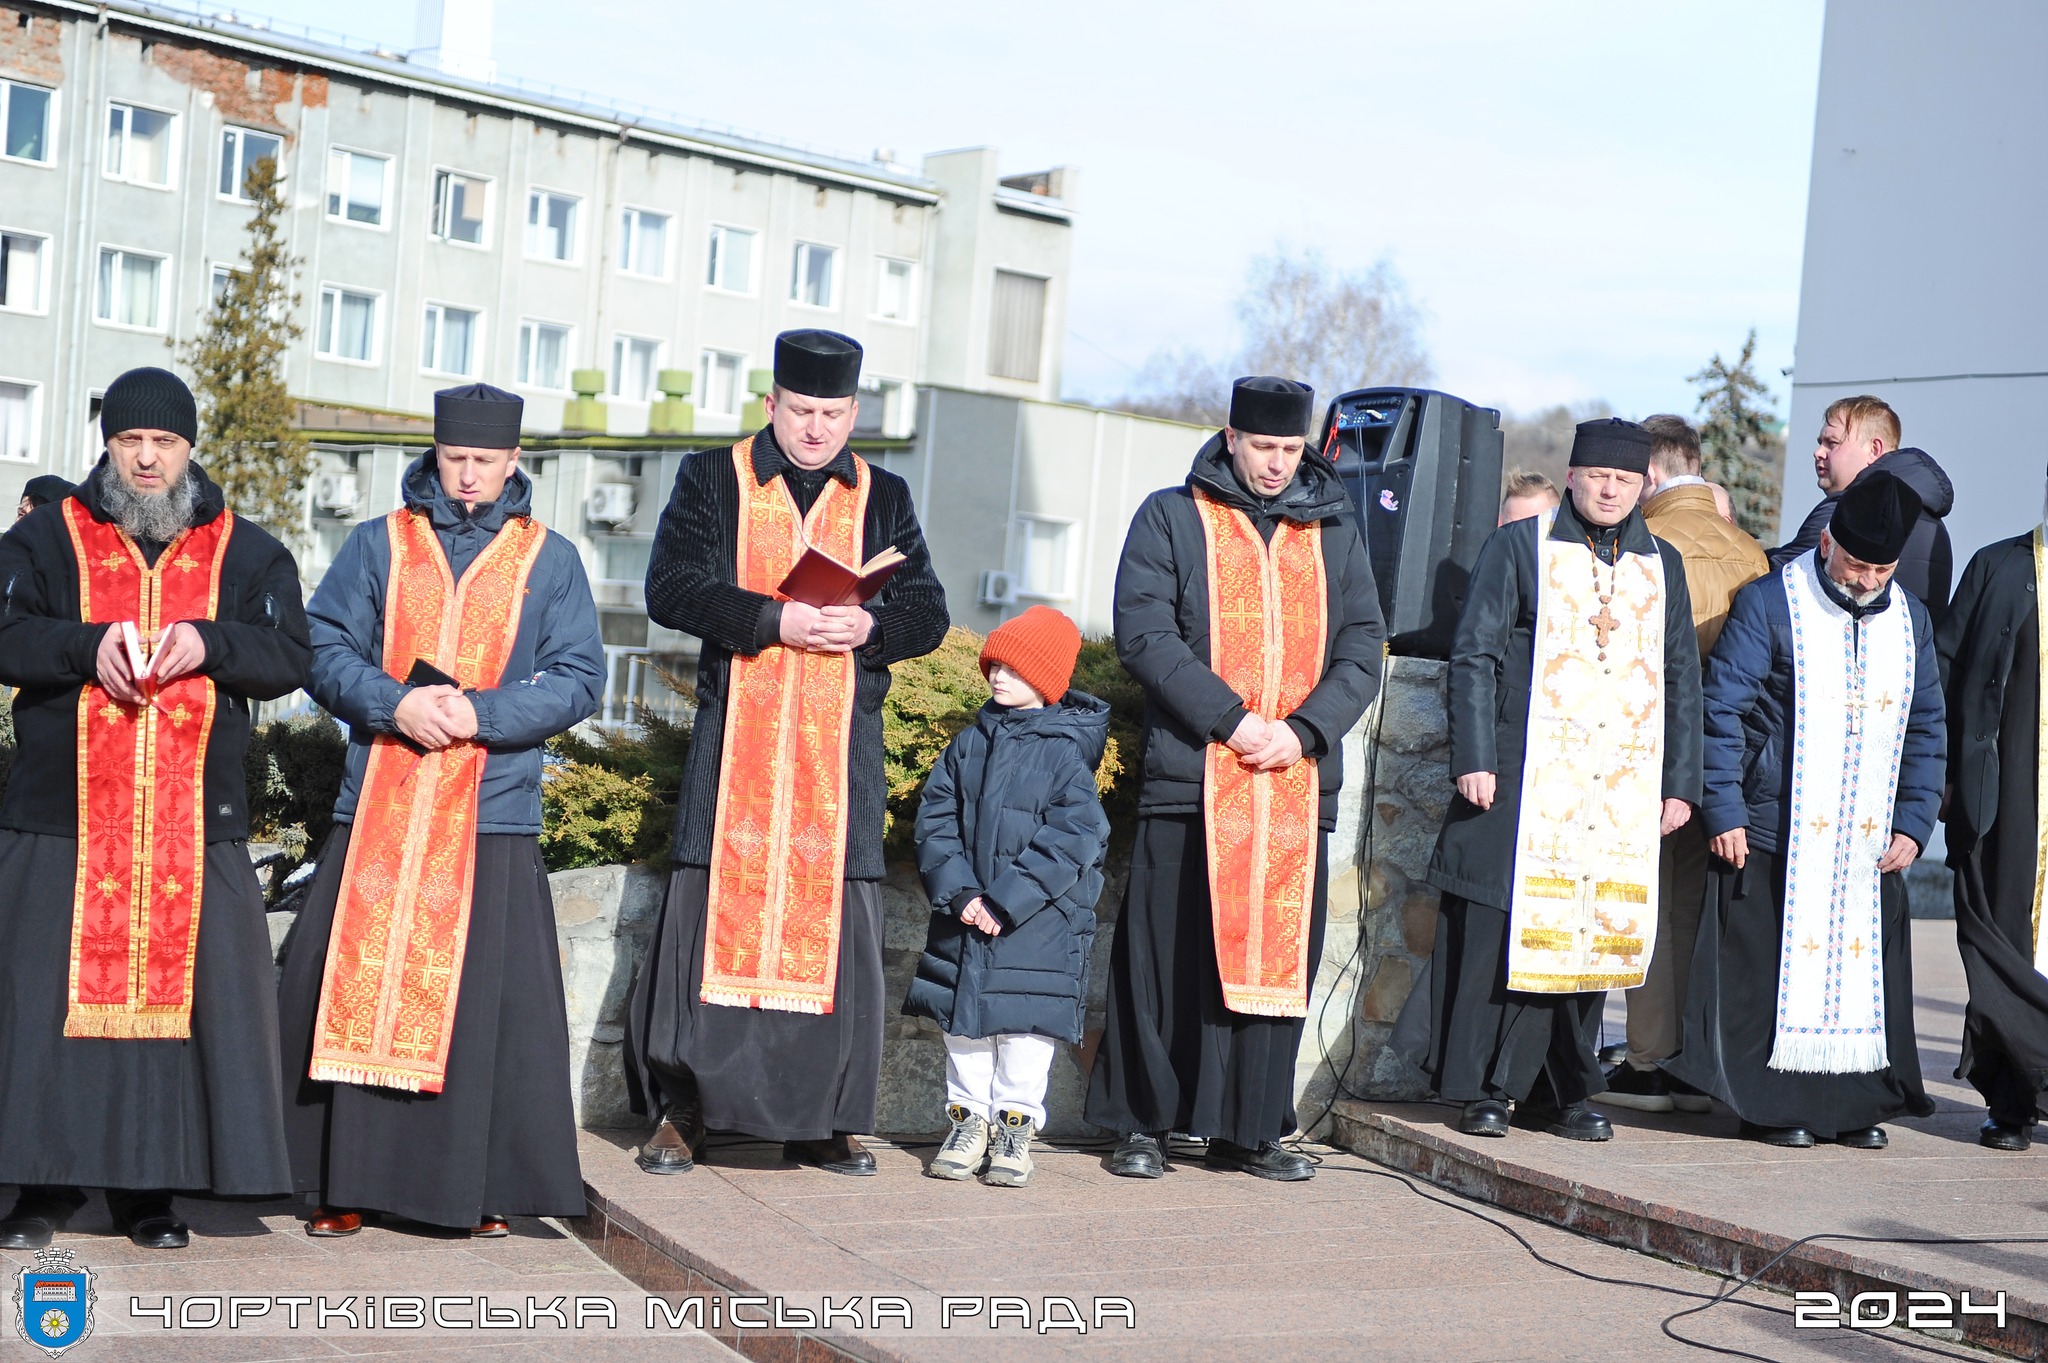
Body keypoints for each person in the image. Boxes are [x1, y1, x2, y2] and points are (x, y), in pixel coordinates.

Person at [275, 383, 603, 1236]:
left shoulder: (552, 558)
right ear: (434, 451)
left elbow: (580, 679)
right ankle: (337, 1180)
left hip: (490, 812)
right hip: (380, 798)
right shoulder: (378, 542)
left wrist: (481, 715)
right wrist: (393, 704)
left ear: (514, 462)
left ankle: (471, 1190)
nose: (467, 476)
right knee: (348, 985)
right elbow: (320, 645)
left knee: (481, 1011)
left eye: (484, 462)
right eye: (455, 458)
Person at [624, 329, 949, 1177]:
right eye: (802, 411)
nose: (816, 429)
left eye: (834, 414)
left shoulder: (886, 493)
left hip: (839, 763)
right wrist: (775, 620)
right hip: (732, 755)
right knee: (706, 923)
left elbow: (930, 611)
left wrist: (871, 626)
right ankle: (683, 1110)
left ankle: (827, 1119)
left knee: (837, 932)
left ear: (854, 412)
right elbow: (669, 586)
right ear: (771, 404)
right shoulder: (711, 475)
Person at [0, 366, 309, 1250]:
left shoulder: (245, 550)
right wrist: (85, 644)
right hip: (63, 819)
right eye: (129, 441)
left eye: (162, 442)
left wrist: (209, 641)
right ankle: (38, 1190)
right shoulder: (46, 541)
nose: (145, 458)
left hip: (195, 823)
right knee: (42, 1010)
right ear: (107, 444)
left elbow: (292, 653)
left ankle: (149, 1193)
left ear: (188, 449)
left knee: (176, 1027)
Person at [1085, 376, 1385, 1182]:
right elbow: (1145, 633)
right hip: (1193, 778)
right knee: (1166, 958)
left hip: (1293, 783)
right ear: (1230, 436)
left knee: (1276, 964)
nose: (1276, 465)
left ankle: (1250, 1129)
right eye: (1263, 447)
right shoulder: (1171, 515)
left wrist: (1302, 731)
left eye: (1291, 450)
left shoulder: (1336, 531)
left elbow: (1363, 644)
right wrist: (1233, 719)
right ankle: (1141, 1123)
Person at [1393, 418, 1702, 1143]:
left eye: (1626, 481)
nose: (1610, 490)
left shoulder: (1665, 567)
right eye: (1599, 476)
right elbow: (1476, 654)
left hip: (1614, 787)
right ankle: (1486, 1089)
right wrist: (1474, 755)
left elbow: (1682, 675)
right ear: (1573, 475)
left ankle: (1563, 1089)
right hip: (1521, 773)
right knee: (1503, 933)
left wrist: (1679, 782)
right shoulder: (1521, 546)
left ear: (1642, 486)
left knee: (1588, 933)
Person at [1669, 471, 1943, 1148]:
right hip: (1772, 825)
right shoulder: (1770, 602)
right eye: (1856, 563)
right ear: (1826, 543)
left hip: (1867, 838)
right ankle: (1773, 1106)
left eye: (1881, 568)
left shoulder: (1910, 619)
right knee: (1769, 976)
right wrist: (1724, 808)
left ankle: (1851, 1107)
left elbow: (1928, 724)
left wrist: (1914, 821)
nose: (1866, 578)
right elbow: (1722, 708)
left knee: (1858, 974)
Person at [1595, 415, 1767, 1114]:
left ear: (1653, 474)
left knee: (1648, 904)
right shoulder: (1750, 550)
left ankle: (1649, 1056)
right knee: (1696, 907)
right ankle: (1695, 1056)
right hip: (1729, 764)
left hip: (1653, 754)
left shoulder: (1644, 544)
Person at [904, 606, 1110, 1187]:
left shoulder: (1065, 753)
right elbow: (935, 819)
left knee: (1022, 1031)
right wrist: (962, 892)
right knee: (964, 1027)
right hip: (964, 916)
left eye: (1014, 669)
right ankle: (967, 1123)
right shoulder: (969, 744)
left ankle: (1015, 1132)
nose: (997, 676)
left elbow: (1075, 837)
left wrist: (1005, 901)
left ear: (1045, 680)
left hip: (1036, 927)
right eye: (994, 664)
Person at [1936, 488, 2048, 1152]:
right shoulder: (1999, 567)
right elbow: (1949, 668)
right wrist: (1948, 774)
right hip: (2013, 800)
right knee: (2002, 939)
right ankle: (2010, 1101)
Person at [1770, 396, 1955, 623]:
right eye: (1820, 442)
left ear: (1874, 449)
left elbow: (1775, 579)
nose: (1818, 452)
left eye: (1832, 443)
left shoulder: (1846, 512)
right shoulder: (1935, 526)